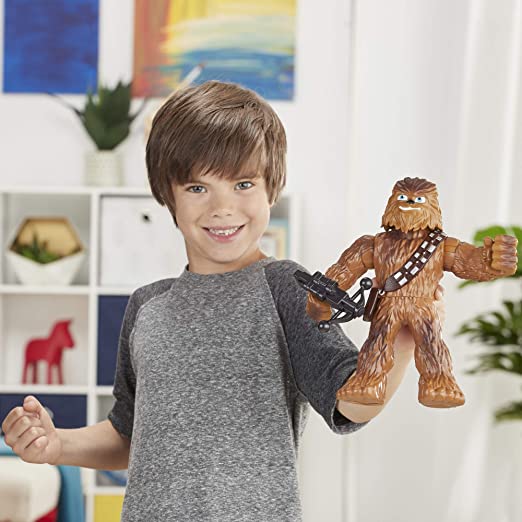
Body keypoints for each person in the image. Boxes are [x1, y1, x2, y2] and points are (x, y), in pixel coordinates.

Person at [1, 81, 443, 521]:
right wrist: (57, 444)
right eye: (198, 188)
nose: (222, 207)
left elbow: (352, 402)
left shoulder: (287, 289)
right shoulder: (146, 307)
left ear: (272, 189)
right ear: (168, 196)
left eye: (243, 183)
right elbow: (128, 437)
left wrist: (402, 341)